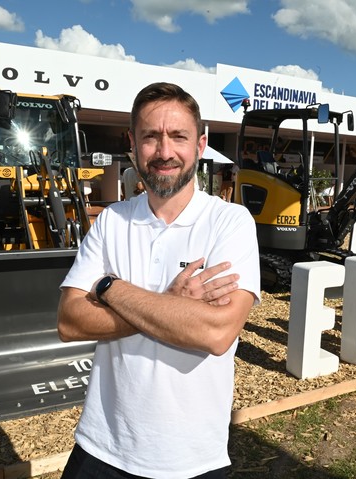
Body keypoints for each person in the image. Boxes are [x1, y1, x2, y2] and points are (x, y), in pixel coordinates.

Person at [57, 82, 261, 479]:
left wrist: (108, 289)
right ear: (132, 143)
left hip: (191, 458)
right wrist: (169, 301)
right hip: (103, 447)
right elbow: (69, 321)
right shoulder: (111, 221)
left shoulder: (229, 222)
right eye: (151, 137)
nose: (165, 152)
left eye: (178, 137)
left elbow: (216, 332)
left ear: (200, 144)